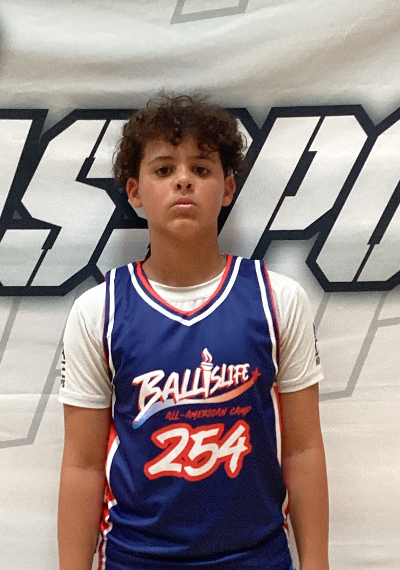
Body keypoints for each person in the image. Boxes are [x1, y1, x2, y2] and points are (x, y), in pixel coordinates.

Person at [58, 94, 329, 570]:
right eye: (164, 169)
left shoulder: (278, 299)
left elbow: (304, 448)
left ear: (227, 189)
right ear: (134, 192)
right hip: (137, 557)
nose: (183, 179)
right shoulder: (98, 310)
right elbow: (81, 464)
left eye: (201, 169)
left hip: (256, 556)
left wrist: (317, 563)